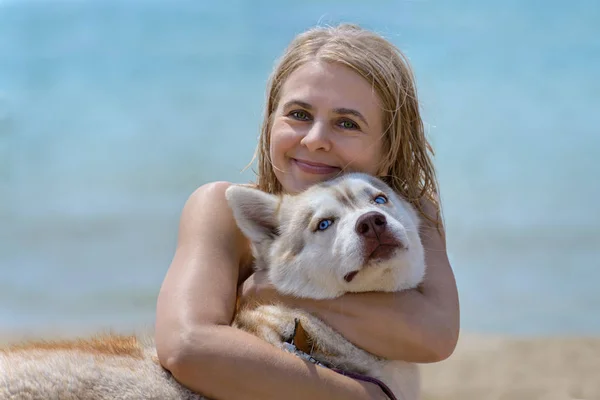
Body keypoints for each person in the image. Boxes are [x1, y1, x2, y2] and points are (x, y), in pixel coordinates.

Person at [155, 23, 460, 400]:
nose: (315, 140)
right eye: (298, 114)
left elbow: (435, 338)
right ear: (270, 122)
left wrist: (283, 290)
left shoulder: (402, 213)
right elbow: (186, 346)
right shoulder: (222, 209)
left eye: (347, 123)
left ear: (389, 150)